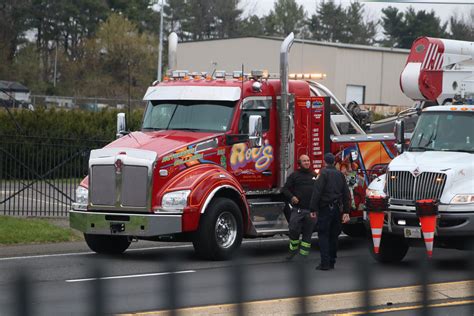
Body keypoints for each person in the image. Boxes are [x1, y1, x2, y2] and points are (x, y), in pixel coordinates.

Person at [310, 152, 350, 270]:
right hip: (337, 209)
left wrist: (313, 208)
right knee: (334, 236)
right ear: (334, 162)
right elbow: (346, 194)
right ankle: (332, 261)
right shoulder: (340, 175)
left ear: (324, 162)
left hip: (325, 209)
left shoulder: (323, 174)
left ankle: (325, 263)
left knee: (323, 235)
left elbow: (317, 192)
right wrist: (346, 211)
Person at [282, 154, 317, 260]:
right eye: (304, 161)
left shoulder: (315, 175)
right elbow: (285, 189)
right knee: (293, 229)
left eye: (308, 160)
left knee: (307, 234)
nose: (307, 162)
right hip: (298, 210)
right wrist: (292, 197)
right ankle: (293, 250)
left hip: (311, 211)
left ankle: (303, 256)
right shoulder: (294, 175)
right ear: (299, 163)